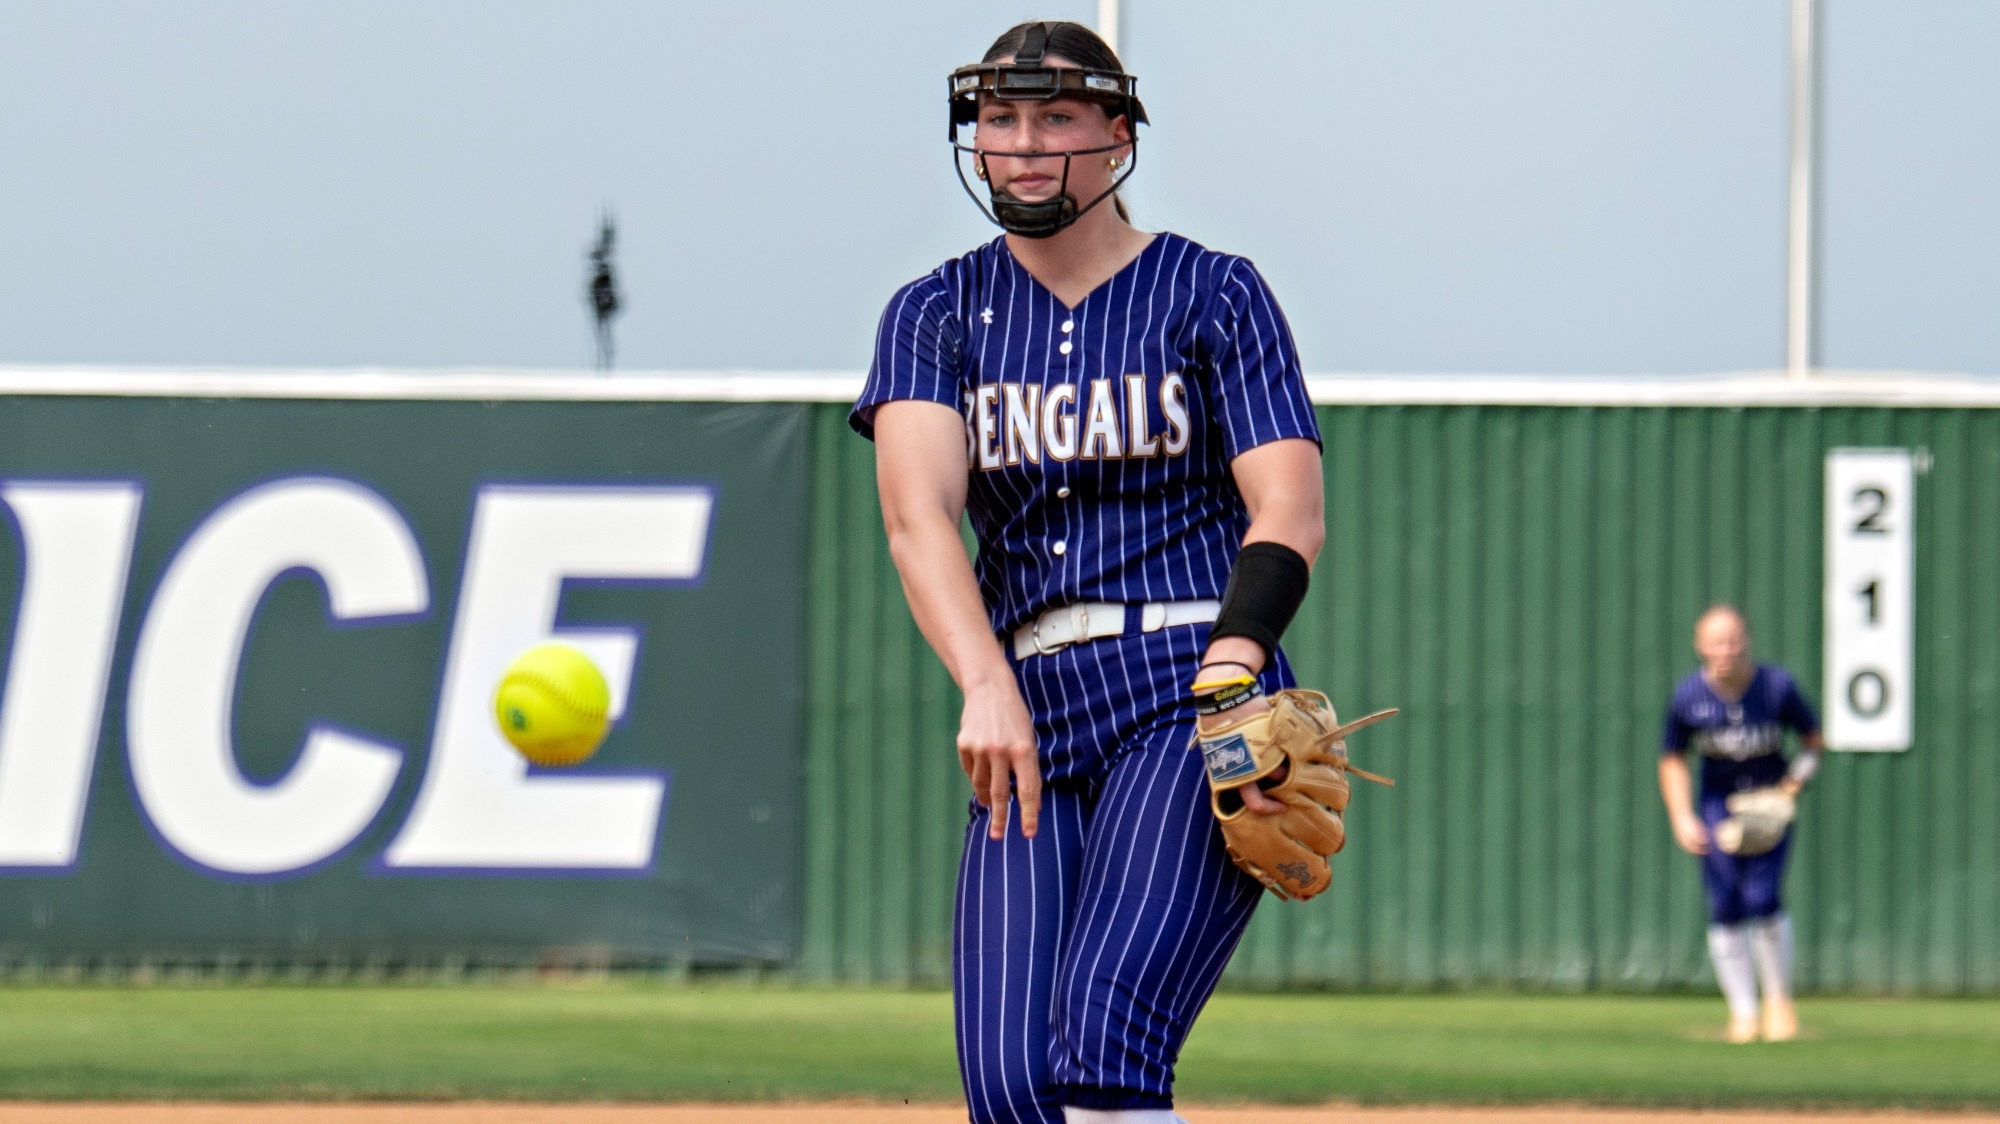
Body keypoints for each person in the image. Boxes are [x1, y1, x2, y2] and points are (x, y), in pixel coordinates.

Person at [850, 20, 1328, 1124]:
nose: (1020, 144)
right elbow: (917, 518)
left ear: (1116, 137)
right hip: (1024, 696)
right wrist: (981, 682)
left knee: (1106, 1041)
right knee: (1012, 1087)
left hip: (1187, 685)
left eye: (1055, 115)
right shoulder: (934, 312)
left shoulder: (1212, 293)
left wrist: (1238, 658)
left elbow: (1287, 509)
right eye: (997, 119)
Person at [1658, 604, 1824, 1043]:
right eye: (1716, 642)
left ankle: (1779, 1002)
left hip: (1768, 804)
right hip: (1718, 807)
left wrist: (1794, 783)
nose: (1725, 650)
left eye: (1732, 640)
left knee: (1763, 898)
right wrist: (1681, 816)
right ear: (1700, 645)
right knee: (1726, 904)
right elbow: (1673, 757)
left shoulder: (1775, 687)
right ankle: (1743, 1013)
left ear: (1746, 640)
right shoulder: (1689, 695)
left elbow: (1813, 740)